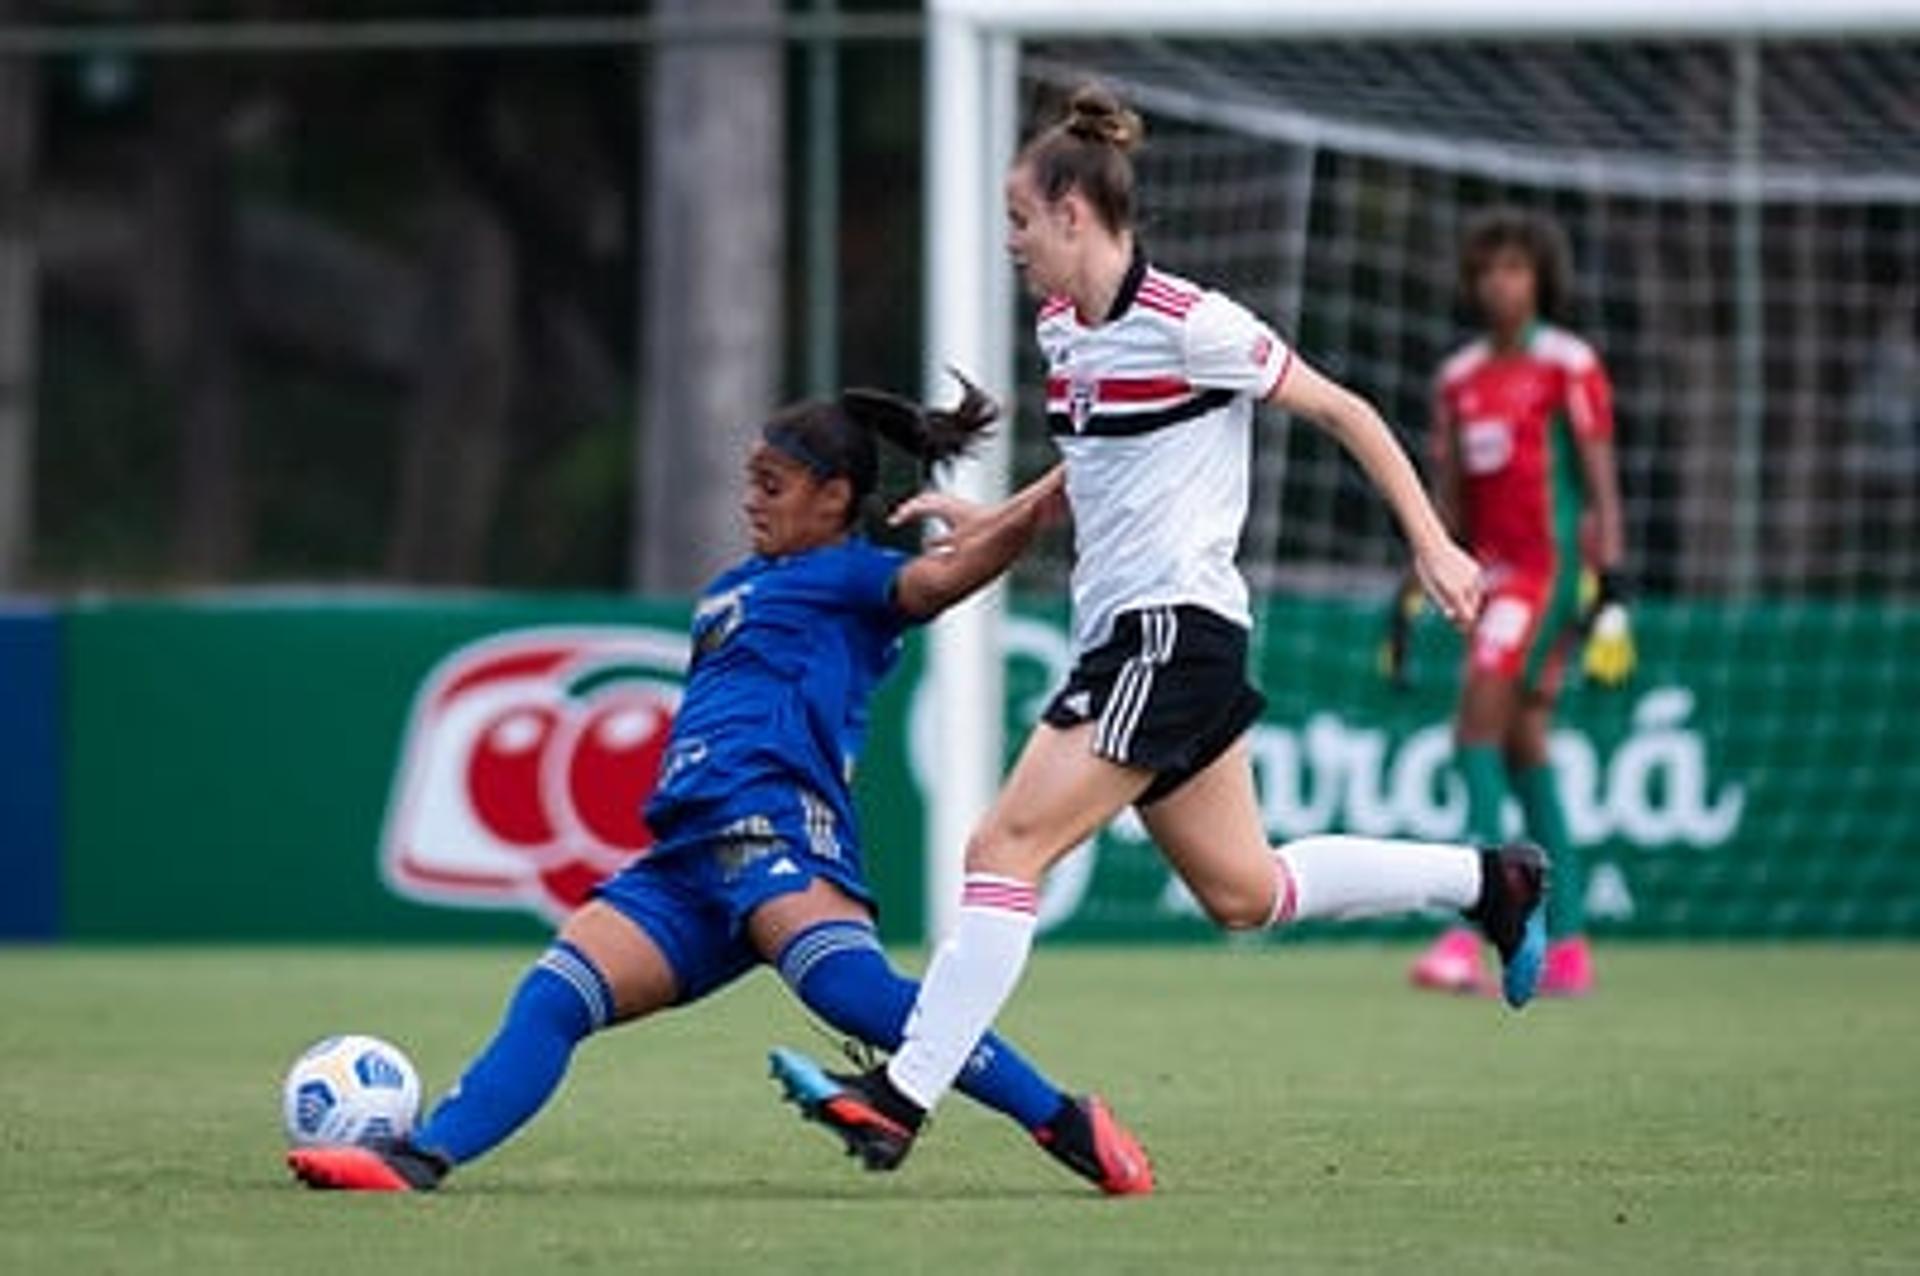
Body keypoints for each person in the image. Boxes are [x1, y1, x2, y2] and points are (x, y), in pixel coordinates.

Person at [769, 85, 1548, 1177]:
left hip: (1172, 632)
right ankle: (1489, 882)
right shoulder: (1062, 333)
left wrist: (1433, 543)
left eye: (1020, 220)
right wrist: (985, 520)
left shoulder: (1196, 324)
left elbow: (1349, 412)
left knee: (1003, 849)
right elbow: (1084, 477)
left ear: (1075, 214)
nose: (1011, 243)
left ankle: (900, 1096)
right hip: (1135, 640)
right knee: (1247, 892)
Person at [287, 377, 1154, 1196]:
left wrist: (1058, 488)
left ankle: (1065, 1120)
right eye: (752, 481)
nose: (753, 499)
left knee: (847, 992)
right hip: (685, 854)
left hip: (776, 824)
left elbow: (944, 576)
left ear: (836, 497)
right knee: (554, 996)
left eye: (773, 484)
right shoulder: (733, 588)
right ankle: (423, 1158)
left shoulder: (854, 578)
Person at [1400, 209, 1631, 1000]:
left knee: (1475, 724)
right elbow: (1451, 501)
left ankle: (1480, 926)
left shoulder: (1568, 364)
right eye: (1491, 270)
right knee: (1526, 741)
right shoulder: (1459, 379)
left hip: (1549, 574)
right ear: (1473, 281)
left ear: (1541, 280)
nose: (1504, 283)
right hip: (1490, 579)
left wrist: (1612, 588)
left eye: (1518, 269)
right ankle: (1566, 943)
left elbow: (1598, 482)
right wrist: (1413, 582)